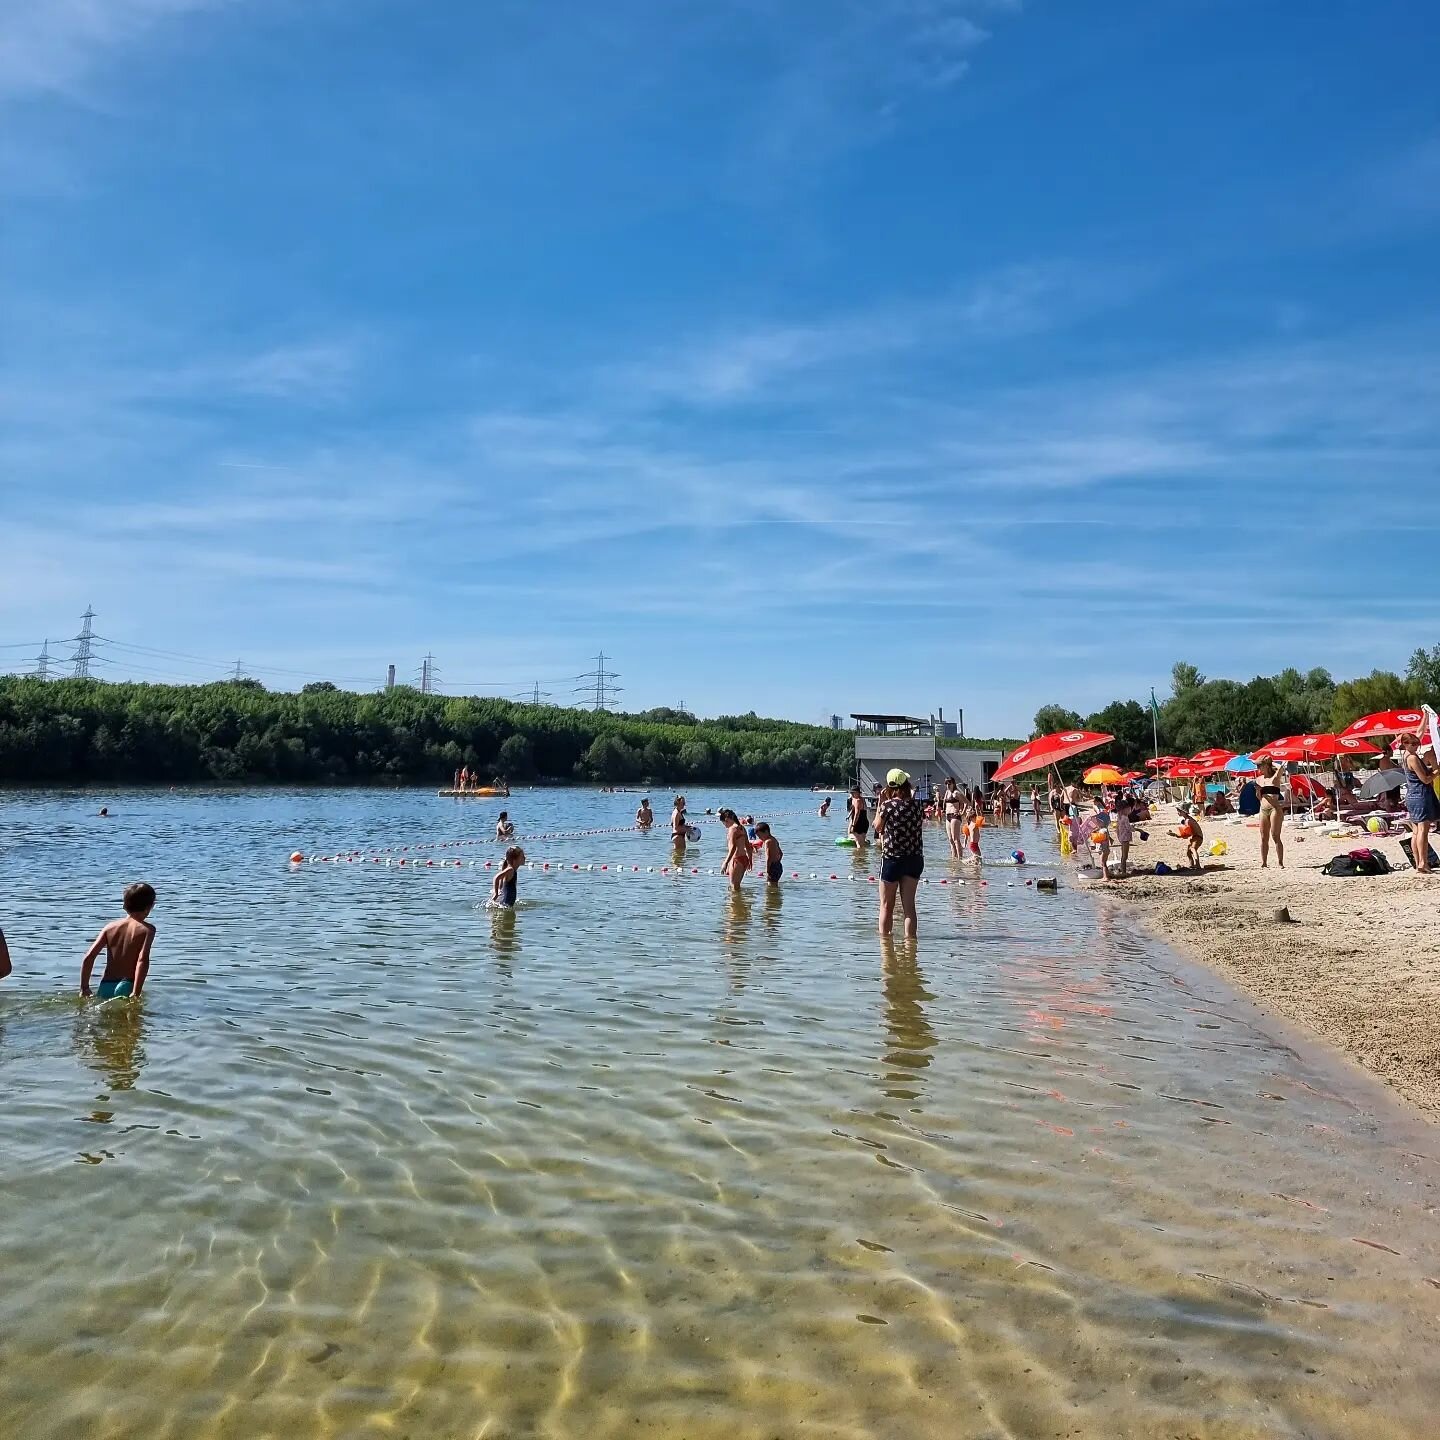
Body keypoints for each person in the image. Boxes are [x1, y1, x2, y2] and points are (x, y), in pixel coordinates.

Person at [79, 883, 157, 1000]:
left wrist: (84, 987)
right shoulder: (147, 930)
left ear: (124, 906)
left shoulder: (109, 928)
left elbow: (89, 957)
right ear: (149, 907)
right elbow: (142, 960)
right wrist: (136, 992)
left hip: (105, 985)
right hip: (127, 984)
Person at [873, 769, 925, 938]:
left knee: (886, 906)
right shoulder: (917, 805)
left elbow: (877, 827)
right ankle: (911, 947)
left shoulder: (887, 806)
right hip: (914, 858)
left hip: (892, 859)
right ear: (906, 784)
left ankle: (886, 948)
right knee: (909, 906)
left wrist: (880, 804)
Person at [1398, 732, 1439, 874]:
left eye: (1417, 744)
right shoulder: (1413, 759)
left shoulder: (1405, 756)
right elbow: (1425, 780)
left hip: (1412, 795)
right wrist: (1436, 771)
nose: (1416, 746)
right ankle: (1423, 862)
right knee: (1423, 830)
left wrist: (1425, 717)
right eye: (1413, 744)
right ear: (1405, 744)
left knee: (1416, 831)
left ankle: (1418, 863)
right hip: (1420, 796)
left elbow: (1419, 733)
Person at [1255, 758, 1286, 869]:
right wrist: (1259, 791)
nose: (1258, 768)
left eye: (1260, 766)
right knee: (1264, 837)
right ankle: (1264, 862)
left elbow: (1281, 768)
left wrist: (1270, 762)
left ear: (1266, 766)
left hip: (1274, 809)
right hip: (1263, 809)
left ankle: (1280, 862)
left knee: (1275, 836)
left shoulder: (1275, 777)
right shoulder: (1259, 779)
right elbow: (1258, 797)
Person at [719, 808, 753, 891]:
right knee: (736, 887)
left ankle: (735, 903)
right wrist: (750, 860)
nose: (725, 826)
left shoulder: (732, 829)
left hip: (736, 860)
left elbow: (733, 848)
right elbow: (748, 846)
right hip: (744, 859)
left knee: (734, 888)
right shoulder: (742, 828)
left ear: (726, 819)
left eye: (723, 823)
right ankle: (741, 903)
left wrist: (725, 863)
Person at [1171, 804, 1204, 873]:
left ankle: (1197, 864)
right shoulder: (1187, 820)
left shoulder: (1188, 821)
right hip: (1195, 837)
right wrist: (1175, 835)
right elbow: (1187, 834)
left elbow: (1187, 835)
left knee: (1192, 849)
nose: (1178, 812)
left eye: (1179, 811)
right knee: (1188, 852)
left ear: (1184, 812)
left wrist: (1176, 835)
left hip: (1198, 837)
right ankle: (1192, 864)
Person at [943, 780, 965, 858]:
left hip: (955, 816)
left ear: (953, 784)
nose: (948, 785)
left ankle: (960, 858)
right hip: (947, 816)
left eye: (949, 784)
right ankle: (954, 858)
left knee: (956, 839)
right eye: (946, 784)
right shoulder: (947, 792)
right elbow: (945, 803)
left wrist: (961, 812)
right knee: (951, 840)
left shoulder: (956, 793)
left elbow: (966, 802)